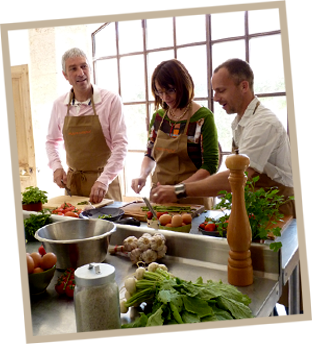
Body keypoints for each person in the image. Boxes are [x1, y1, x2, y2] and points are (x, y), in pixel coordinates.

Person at [151, 58, 295, 218]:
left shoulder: (263, 124)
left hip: (276, 211)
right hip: (254, 208)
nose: (215, 97)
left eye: (221, 90)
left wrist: (178, 190)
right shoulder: (241, 122)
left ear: (244, 86)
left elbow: (236, 176)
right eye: (214, 91)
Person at [131, 59, 219, 209]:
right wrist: (142, 175)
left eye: (170, 90)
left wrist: (177, 190)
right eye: (160, 92)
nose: (165, 97)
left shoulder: (203, 118)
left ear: (183, 86)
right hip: (161, 196)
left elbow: (210, 165)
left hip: (193, 197)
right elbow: (150, 153)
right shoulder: (159, 117)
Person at [46, 47, 128, 203]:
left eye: (84, 66)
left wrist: (104, 180)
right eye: (73, 69)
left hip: (105, 186)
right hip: (74, 185)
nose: (80, 73)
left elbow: (121, 145)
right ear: (65, 76)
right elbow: (51, 141)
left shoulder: (110, 100)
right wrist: (56, 167)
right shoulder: (59, 105)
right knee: (75, 227)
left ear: (90, 69)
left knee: (108, 226)